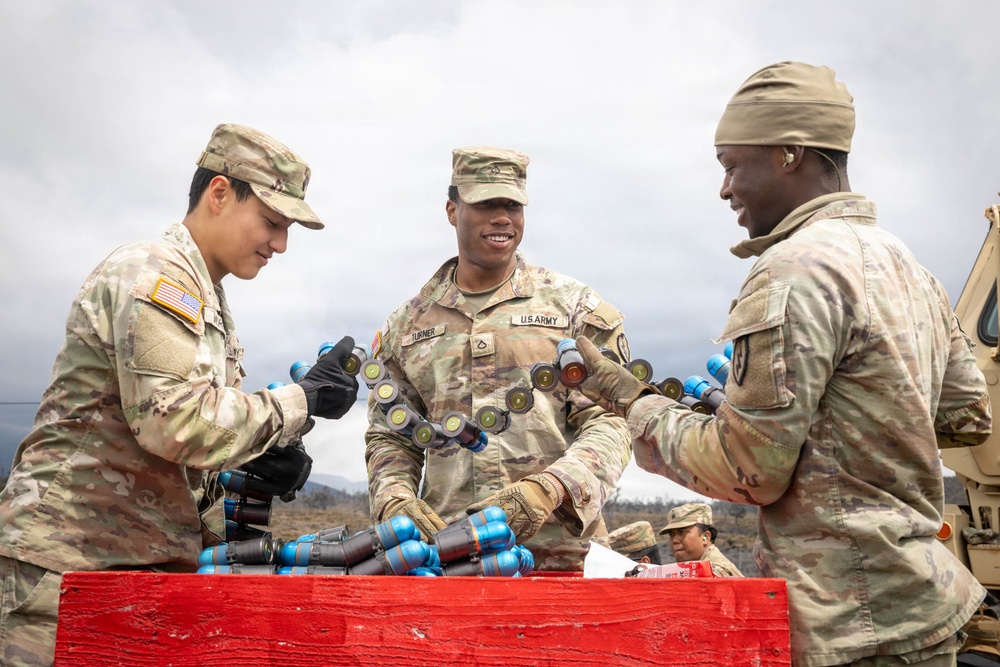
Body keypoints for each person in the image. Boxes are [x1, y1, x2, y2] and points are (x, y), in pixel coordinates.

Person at [575, 61, 992, 666]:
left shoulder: (793, 271)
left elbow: (748, 471)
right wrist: (813, 424)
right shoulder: (909, 267)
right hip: (920, 609)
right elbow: (966, 416)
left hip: (846, 625)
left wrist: (632, 401)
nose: (725, 189)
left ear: (789, 153)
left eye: (731, 165)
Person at [0, 123, 359, 666]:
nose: (281, 245)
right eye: (271, 222)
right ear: (219, 193)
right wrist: (299, 401)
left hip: (128, 569)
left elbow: (181, 452)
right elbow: (173, 422)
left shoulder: (207, 300)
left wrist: (256, 460)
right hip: (66, 566)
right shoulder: (154, 275)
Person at [364, 146, 632, 571]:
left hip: (563, 562)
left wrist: (548, 490)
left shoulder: (574, 308)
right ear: (453, 211)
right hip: (449, 559)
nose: (503, 218)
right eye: (486, 204)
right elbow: (391, 436)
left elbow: (612, 422)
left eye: (513, 205)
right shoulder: (405, 326)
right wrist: (394, 500)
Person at [658, 502, 742, 577]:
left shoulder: (714, 573)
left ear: (705, 538)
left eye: (682, 532)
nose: (674, 540)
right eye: (671, 534)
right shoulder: (698, 568)